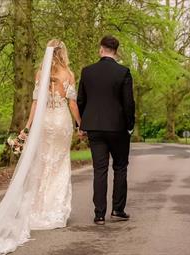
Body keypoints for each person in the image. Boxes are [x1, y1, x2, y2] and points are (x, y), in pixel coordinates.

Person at [0, 39, 81, 255]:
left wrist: (27, 128)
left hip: (45, 123)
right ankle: (55, 211)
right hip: (61, 122)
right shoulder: (68, 74)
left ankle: (39, 209)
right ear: (63, 53)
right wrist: (80, 123)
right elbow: (72, 103)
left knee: (43, 163)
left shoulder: (41, 73)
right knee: (58, 163)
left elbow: (36, 103)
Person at [77, 35, 135, 225]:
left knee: (99, 170)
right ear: (116, 52)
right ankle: (118, 210)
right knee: (120, 167)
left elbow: (81, 101)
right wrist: (130, 125)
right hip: (117, 128)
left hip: (94, 127)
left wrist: (82, 124)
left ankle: (99, 214)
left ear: (101, 49)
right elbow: (128, 103)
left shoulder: (87, 72)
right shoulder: (123, 72)